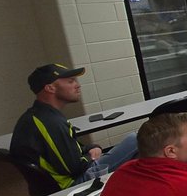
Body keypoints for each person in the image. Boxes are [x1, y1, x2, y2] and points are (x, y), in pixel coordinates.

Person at [10, 64, 139, 189]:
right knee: (136, 141)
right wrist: (93, 156)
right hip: (71, 184)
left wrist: (91, 147)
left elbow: (68, 148)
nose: (78, 85)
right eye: (71, 81)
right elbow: (74, 168)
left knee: (135, 152)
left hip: (58, 181)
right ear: (50, 88)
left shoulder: (39, 116)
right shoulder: (51, 123)